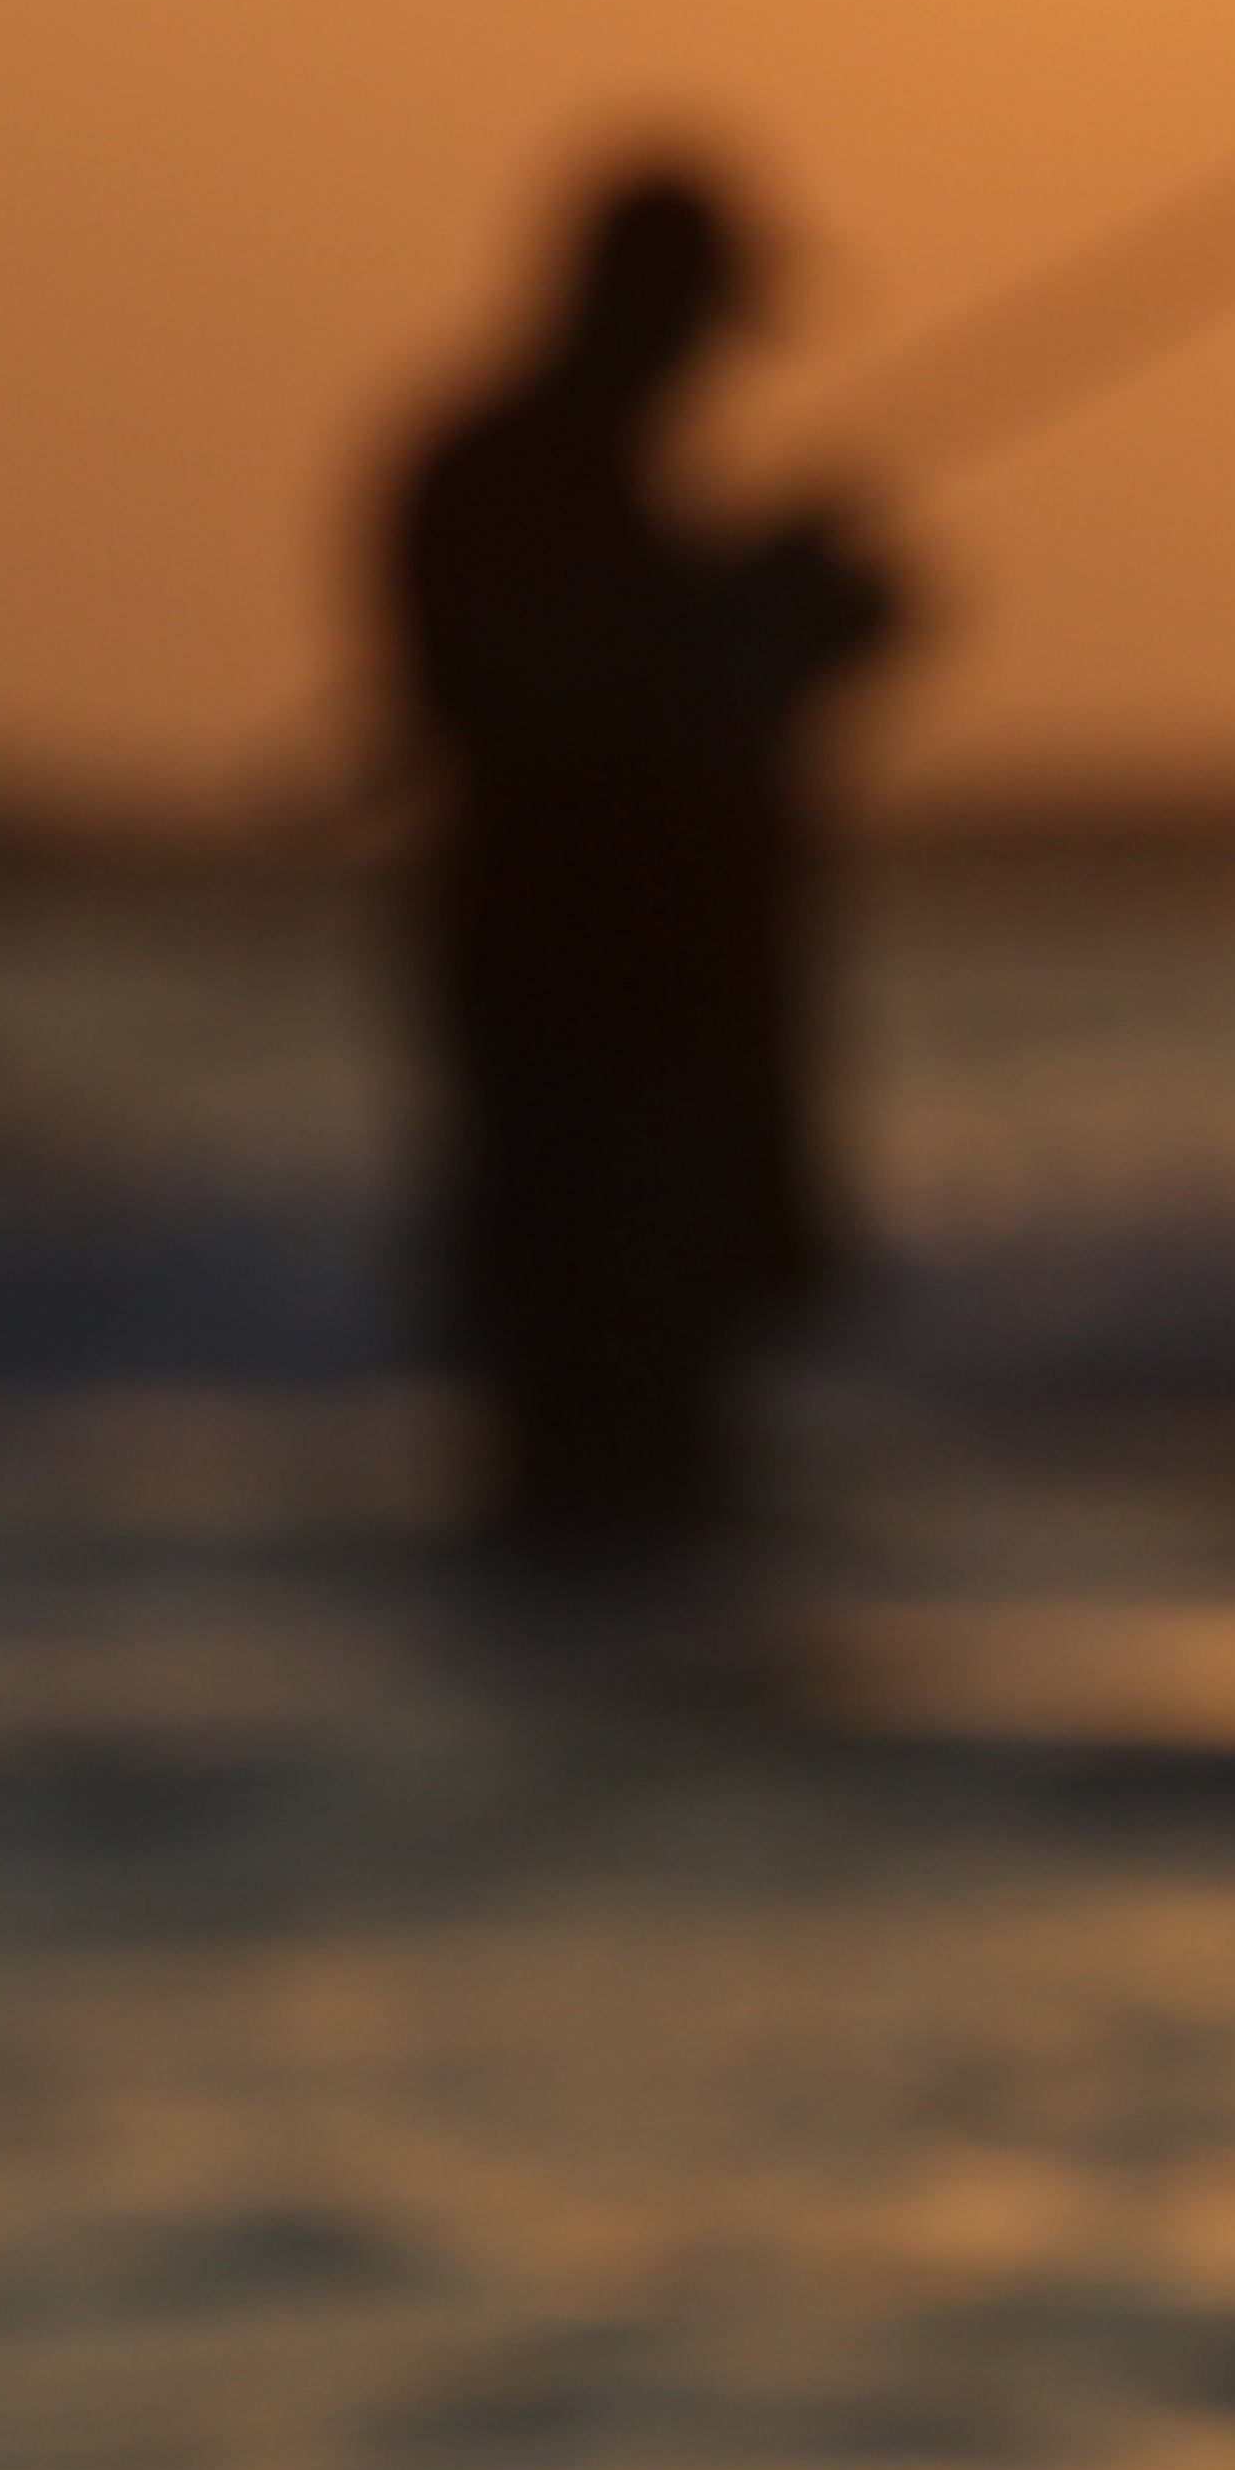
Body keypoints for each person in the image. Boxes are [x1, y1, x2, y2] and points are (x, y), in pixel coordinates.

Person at [379, 155, 909, 1549]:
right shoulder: (486, 477)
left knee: (677, 1453)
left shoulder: (629, 507)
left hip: (689, 1020)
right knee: (593, 1440)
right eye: (698, 322)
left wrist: (784, 617)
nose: (703, 366)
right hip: (583, 1026)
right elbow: (523, 702)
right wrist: (736, 617)